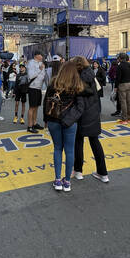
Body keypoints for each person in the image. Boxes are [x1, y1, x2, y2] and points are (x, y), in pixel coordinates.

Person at [44, 61, 85, 192]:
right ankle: (67, 182)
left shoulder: (53, 83)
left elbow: (46, 102)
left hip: (53, 119)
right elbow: (80, 107)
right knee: (70, 151)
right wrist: (69, 120)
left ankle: (57, 180)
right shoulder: (77, 85)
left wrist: (46, 119)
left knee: (57, 148)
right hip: (70, 121)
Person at [71, 56, 109, 183]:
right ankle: (103, 173)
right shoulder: (92, 76)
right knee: (95, 142)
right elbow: (98, 93)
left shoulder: (77, 78)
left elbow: (76, 96)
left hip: (81, 113)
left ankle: (78, 171)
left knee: (78, 142)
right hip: (93, 112)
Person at [26, 51, 46, 133]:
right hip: (33, 87)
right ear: (36, 55)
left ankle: (34, 123)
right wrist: (39, 69)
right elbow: (31, 76)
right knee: (32, 107)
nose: (42, 56)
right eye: (41, 54)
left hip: (39, 88)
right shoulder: (31, 63)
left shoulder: (41, 63)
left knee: (37, 106)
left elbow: (43, 75)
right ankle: (30, 126)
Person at [115, 53, 130, 124]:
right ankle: (129, 118)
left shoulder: (120, 66)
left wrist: (116, 86)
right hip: (129, 84)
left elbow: (118, 78)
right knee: (129, 101)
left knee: (123, 102)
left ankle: (124, 119)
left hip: (122, 84)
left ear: (120, 58)